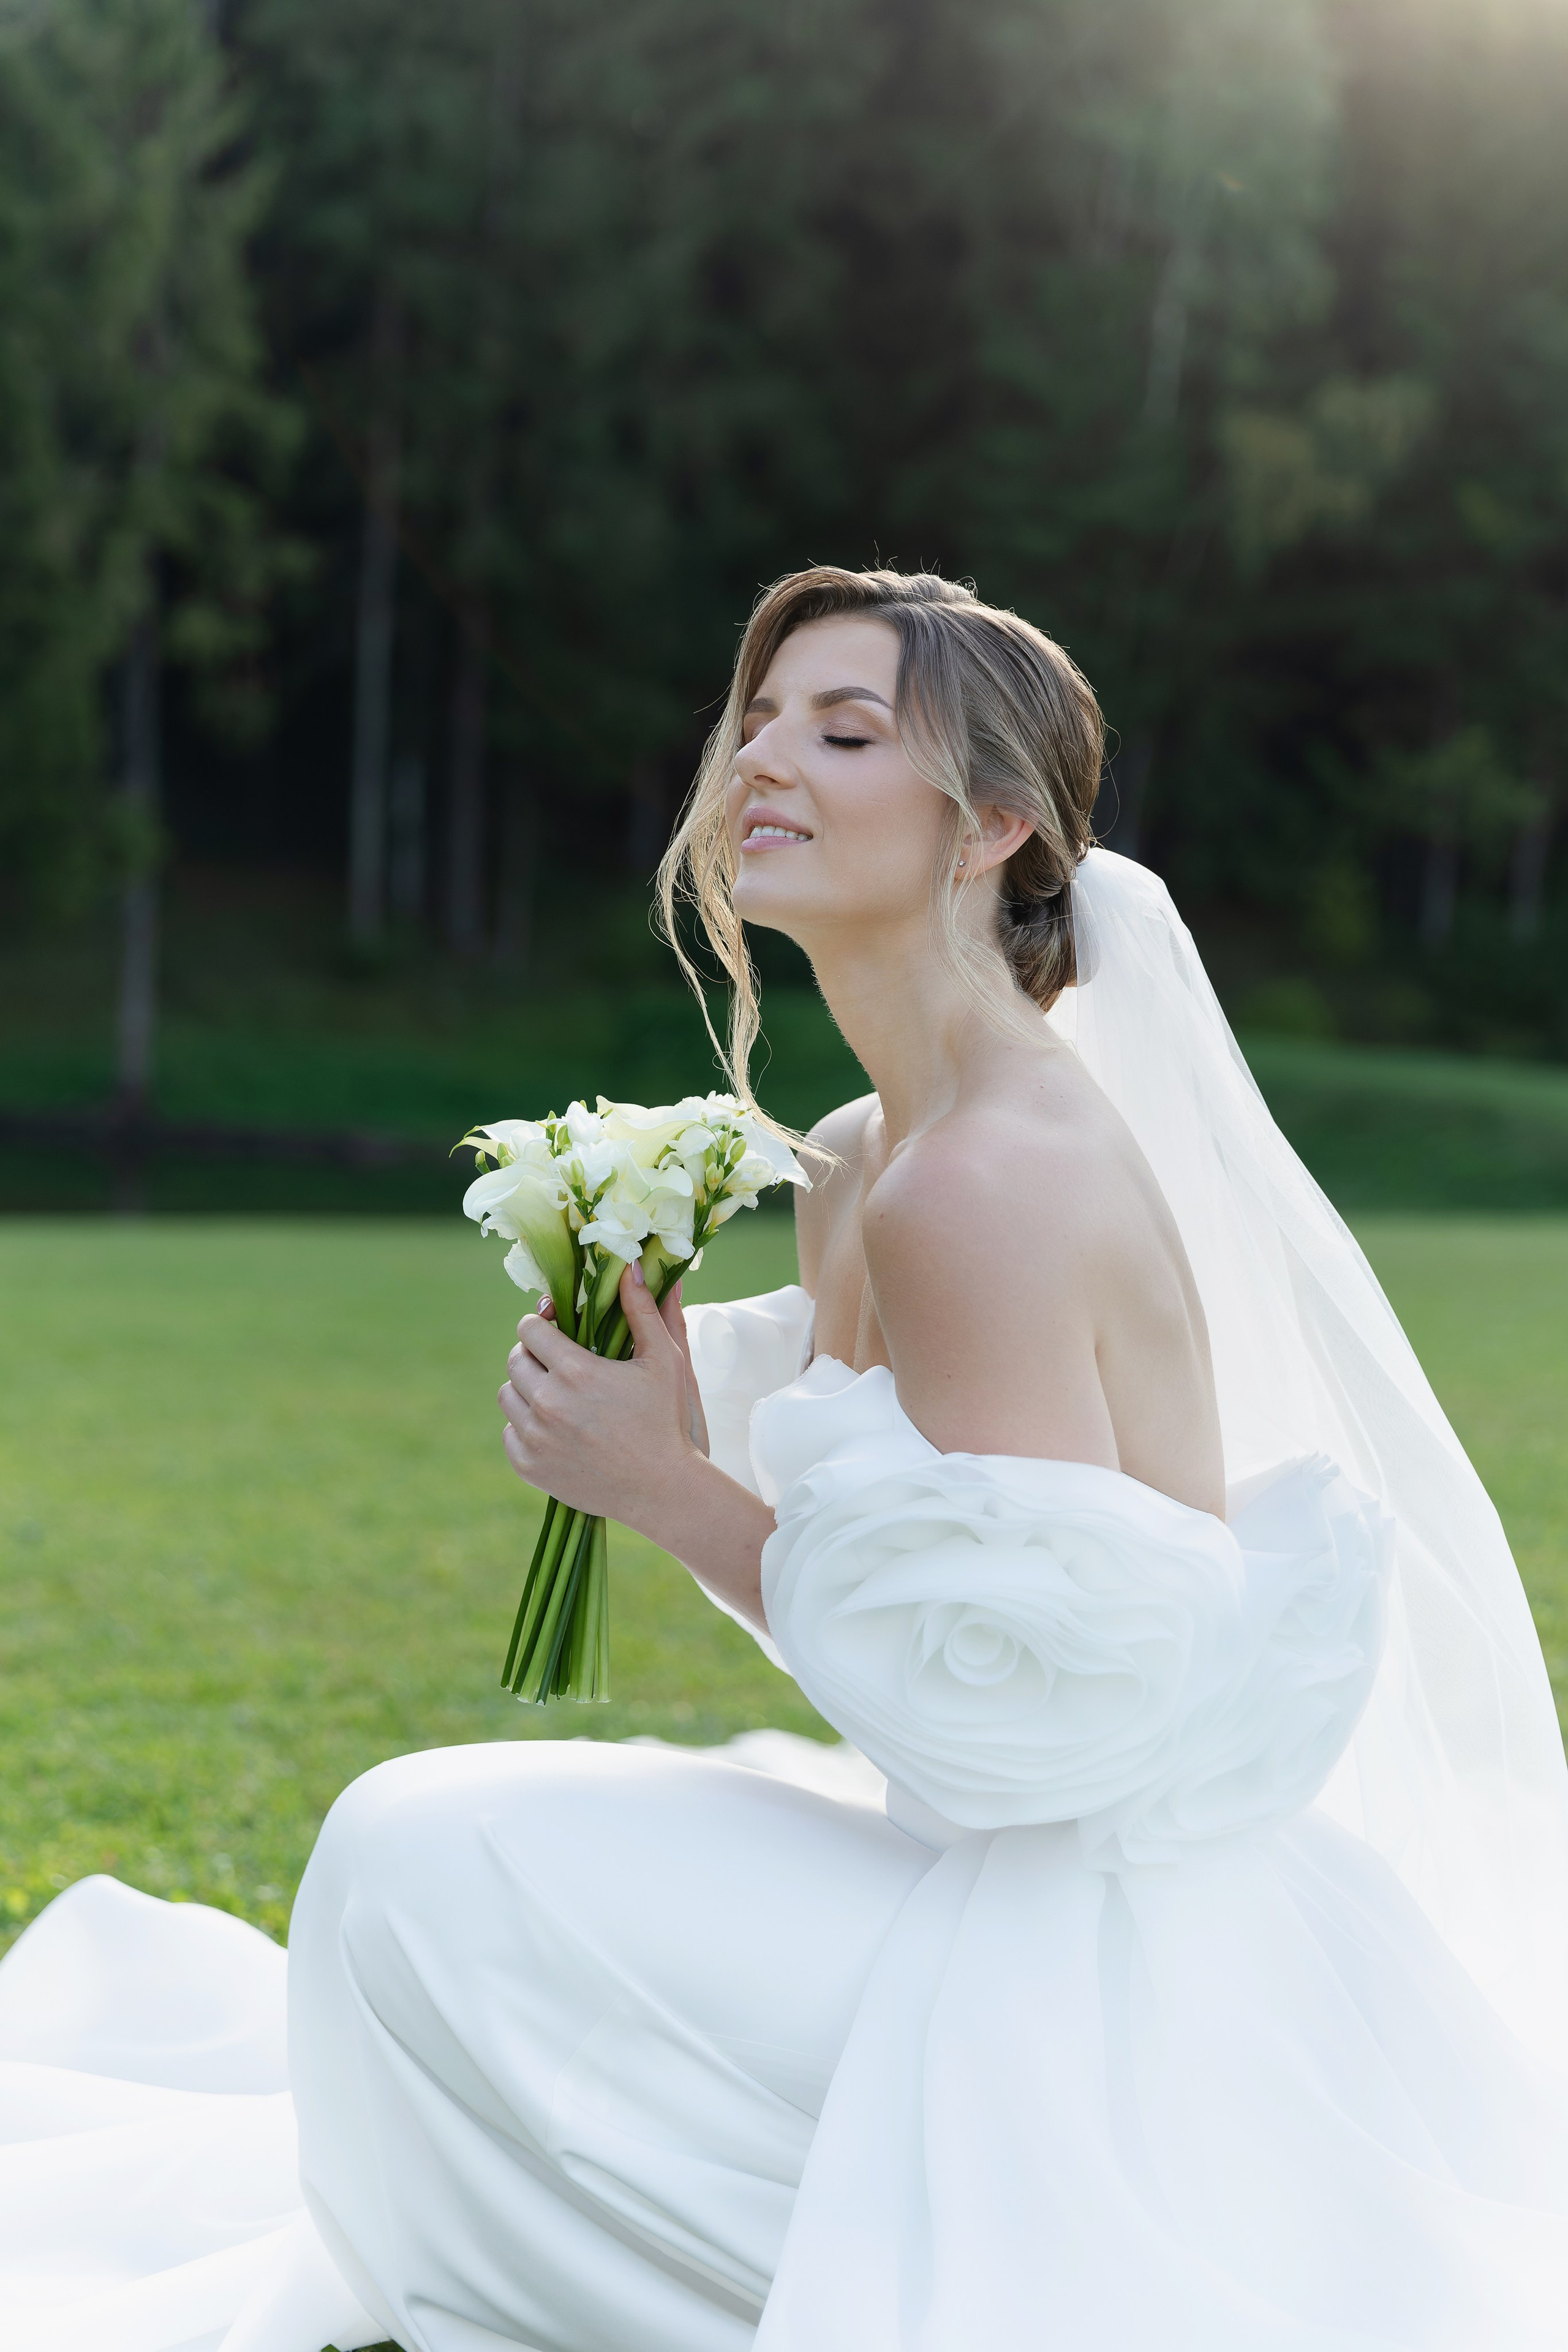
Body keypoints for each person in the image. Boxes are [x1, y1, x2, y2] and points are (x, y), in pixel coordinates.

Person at [4, 566, 1568, 2352]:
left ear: (990, 828)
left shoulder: (976, 1188)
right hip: (997, 1873)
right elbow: (903, 1533)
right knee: (427, 1859)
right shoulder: (859, 1152)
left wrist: (665, 1488)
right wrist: (653, 1394)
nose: (763, 759)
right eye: (756, 718)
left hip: (1077, 1955)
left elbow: (1038, 1740)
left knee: (406, 1859)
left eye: (842, 731)